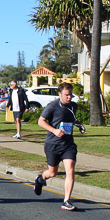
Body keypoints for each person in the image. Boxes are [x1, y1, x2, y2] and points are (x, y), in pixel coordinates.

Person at [32, 82, 84, 211]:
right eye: (66, 95)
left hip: (68, 144)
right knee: (52, 173)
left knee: (70, 170)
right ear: (60, 94)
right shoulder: (52, 106)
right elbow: (40, 121)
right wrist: (54, 131)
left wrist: (79, 126)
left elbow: (72, 119)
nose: (69, 97)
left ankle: (66, 200)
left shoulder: (73, 106)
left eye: (71, 95)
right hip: (53, 144)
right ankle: (40, 179)